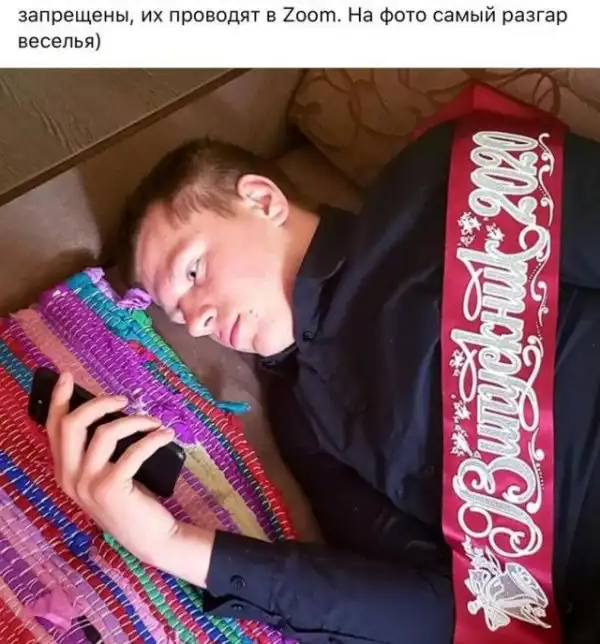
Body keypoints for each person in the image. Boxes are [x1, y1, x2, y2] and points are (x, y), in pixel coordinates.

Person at [46, 90, 600, 644]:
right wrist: (167, 542)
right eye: (179, 314)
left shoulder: (443, 182)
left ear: (262, 200)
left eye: (193, 271)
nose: (197, 322)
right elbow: (450, 608)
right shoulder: (302, 418)